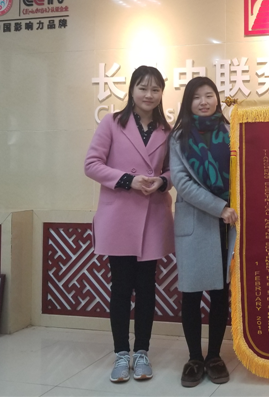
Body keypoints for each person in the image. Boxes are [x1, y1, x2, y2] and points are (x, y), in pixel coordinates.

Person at [84, 65, 174, 383]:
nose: (149, 95)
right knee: (121, 287)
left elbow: (174, 170)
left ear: (162, 93)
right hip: (119, 217)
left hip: (153, 217)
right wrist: (128, 180)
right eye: (143, 88)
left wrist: (161, 182)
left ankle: (143, 352)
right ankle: (122, 353)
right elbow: (91, 164)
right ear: (132, 90)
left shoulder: (167, 129)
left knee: (147, 288)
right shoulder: (111, 123)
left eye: (155, 89)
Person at [169, 76, 238, 388]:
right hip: (198, 221)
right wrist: (219, 207)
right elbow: (181, 182)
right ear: (188, 102)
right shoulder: (179, 136)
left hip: (226, 224)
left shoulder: (231, 131)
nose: (204, 101)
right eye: (197, 97)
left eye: (209, 95)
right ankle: (194, 358)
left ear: (217, 99)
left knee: (220, 292)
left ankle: (214, 356)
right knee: (192, 293)